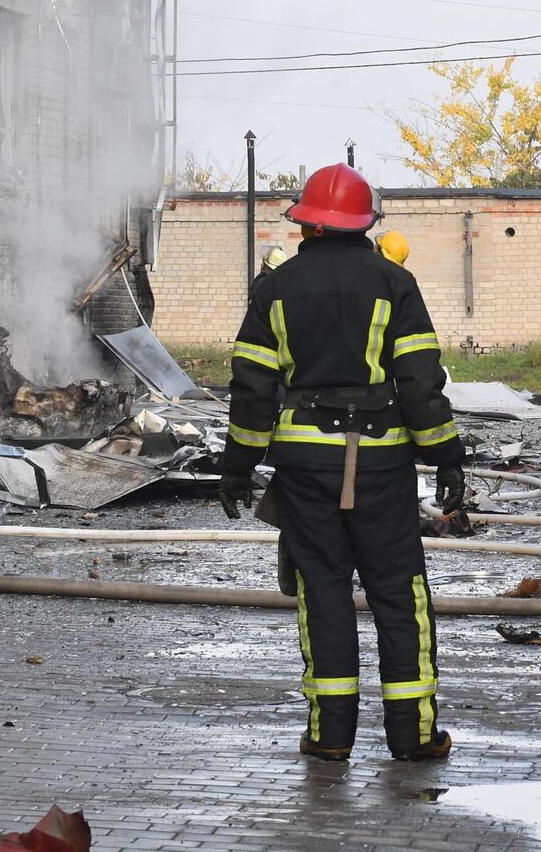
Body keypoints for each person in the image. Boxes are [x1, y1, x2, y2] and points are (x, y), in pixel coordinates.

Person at [220, 163, 465, 762]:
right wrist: (446, 456)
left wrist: (238, 463)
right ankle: (413, 735)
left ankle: (330, 737)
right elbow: (420, 382)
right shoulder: (395, 284)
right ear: (365, 225)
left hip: (306, 469)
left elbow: (252, 388)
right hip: (383, 465)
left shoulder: (274, 289)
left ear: (308, 224)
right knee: (398, 593)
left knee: (322, 591)